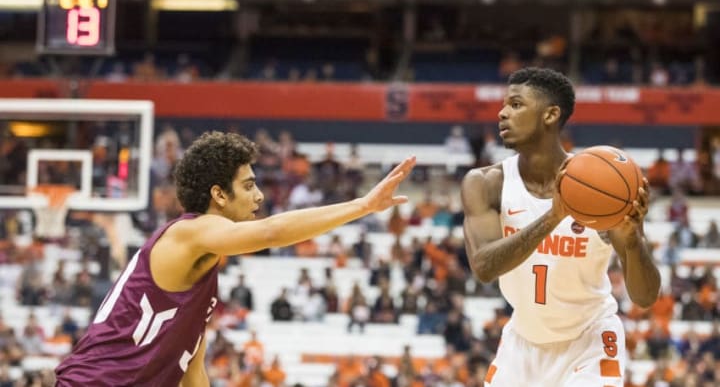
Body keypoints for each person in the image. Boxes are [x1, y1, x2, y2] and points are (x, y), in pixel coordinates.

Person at [55, 131, 416, 386]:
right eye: (248, 185)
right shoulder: (189, 233)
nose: (259, 196)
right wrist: (363, 205)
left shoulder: (204, 268)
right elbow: (272, 233)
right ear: (218, 194)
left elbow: (191, 373)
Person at [461, 67, 660, 387]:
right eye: (504, 104)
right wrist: (554, 216)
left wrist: (633, 240)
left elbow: (645, 297)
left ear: (550, 115)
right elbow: (484, 268)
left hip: (590, 340)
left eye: (515, 104)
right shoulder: (487, 184)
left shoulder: (600, 187)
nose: (502, 113)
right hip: (522, 343)